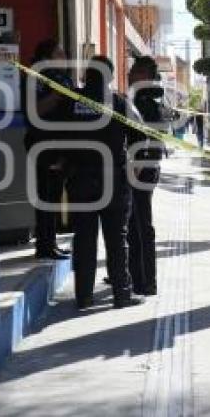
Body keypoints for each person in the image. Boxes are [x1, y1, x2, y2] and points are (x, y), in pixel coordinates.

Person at [67, 56, 145, 309]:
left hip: (80, 178)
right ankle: (122, 294)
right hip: (113, 178)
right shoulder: (119, 102)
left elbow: (58, 134)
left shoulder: (72, 101)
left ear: (87, 75)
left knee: (84, 238)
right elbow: (139, 134)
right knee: (116, 239)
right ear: (109, 77)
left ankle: (84, 296)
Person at [25, 39, 72, 260]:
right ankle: (44, 246)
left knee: (54, 195)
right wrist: (58, 95)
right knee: (46, 194)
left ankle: (50, 242)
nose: (64, 58)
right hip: (45, 142)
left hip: (60, 143)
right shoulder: (37, 77)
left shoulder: (60, 77)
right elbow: (35, 109)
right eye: (59, 54)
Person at [126, 56, 164, 296]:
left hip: (142, 169)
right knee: (135, 224)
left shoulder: (146, 101)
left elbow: (149, 139)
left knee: (139, 226)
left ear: (145, 76)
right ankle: (135, 275)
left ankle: (144, 280)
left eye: (134, 71)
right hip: (143, 167)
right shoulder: (142, 97)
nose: (130, 74)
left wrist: (137, 166)